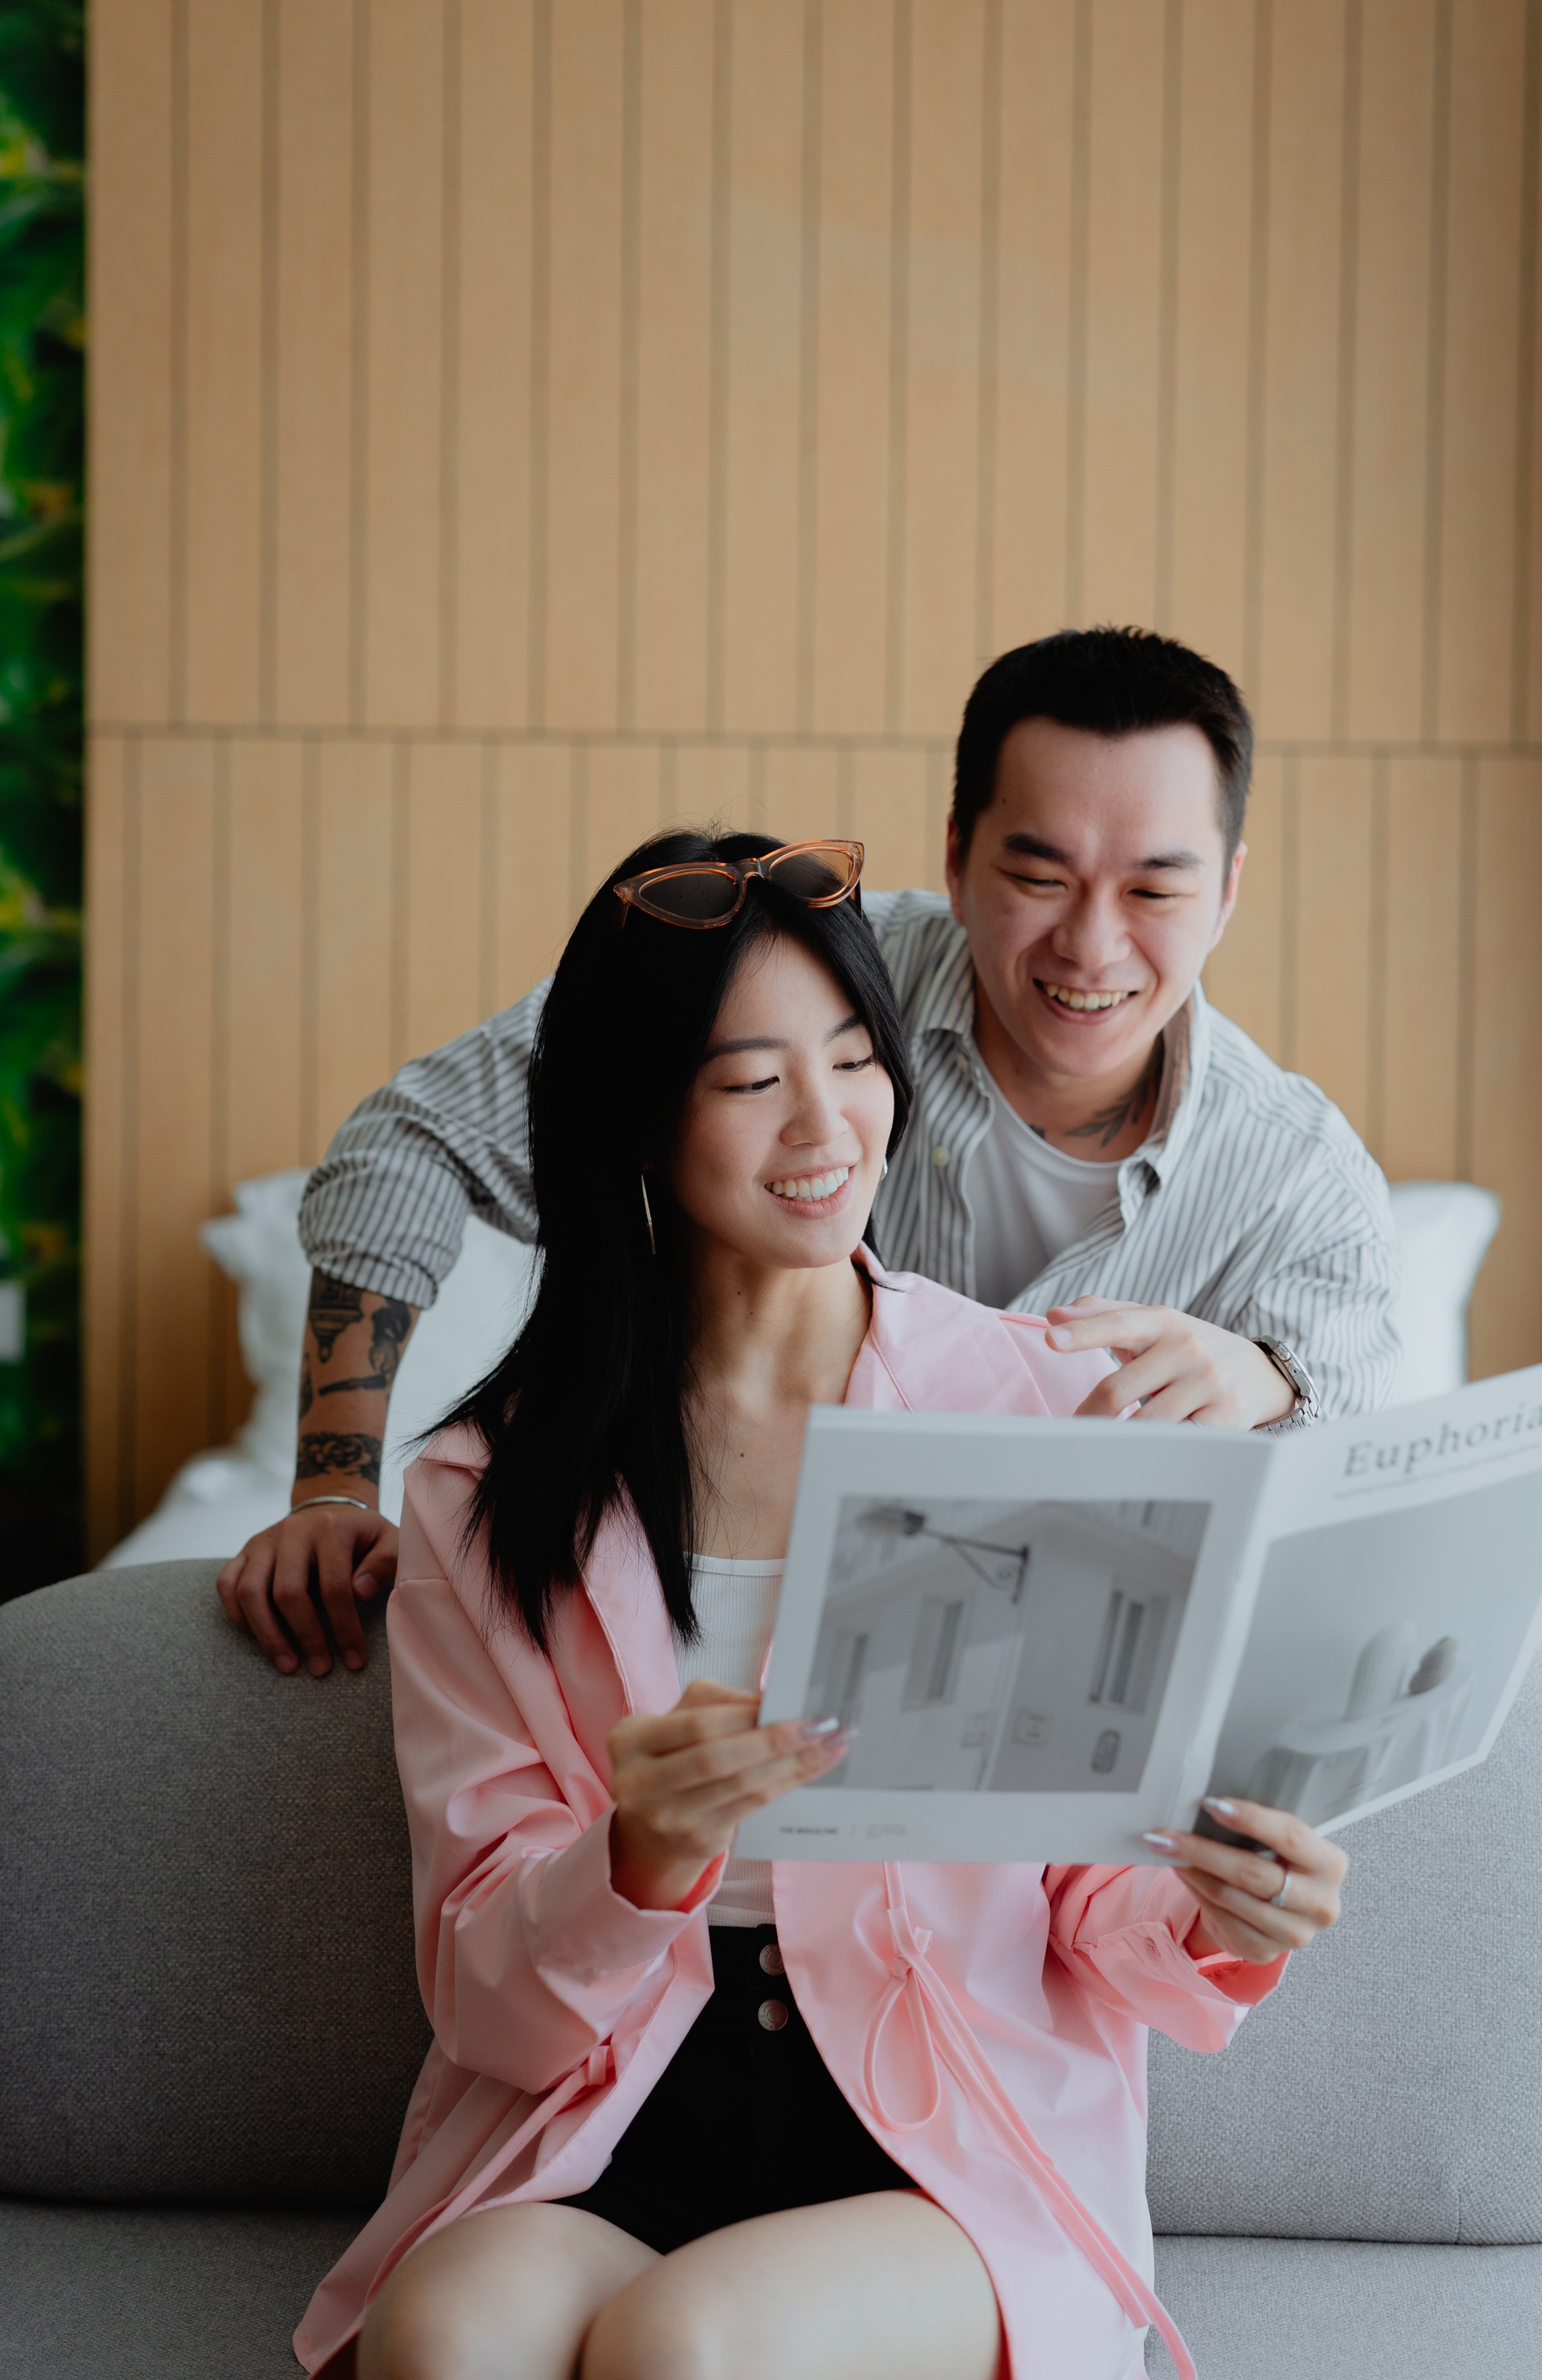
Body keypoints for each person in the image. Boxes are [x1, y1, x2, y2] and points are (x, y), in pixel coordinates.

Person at [293, 832, 1347, 2380]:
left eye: (853, 1060)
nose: (825, 1126)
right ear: (636, 1117)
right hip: (622, 2085)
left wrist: (1223, 1921)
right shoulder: (481, 1489)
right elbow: (489, 2006)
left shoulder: (1045, 1407)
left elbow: (1091, 1905)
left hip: (941, 2110)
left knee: (684, 2346)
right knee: (437, 2339)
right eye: (747, 1081)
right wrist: (637, 1855)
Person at [222, 627, 1398, 1677]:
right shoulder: (807, 966)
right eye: (1039, 876)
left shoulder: (1301, 1183)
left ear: (1229, 892)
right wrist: (333, 1481)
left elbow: (1351, 1524)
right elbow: (409, 1140)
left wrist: (1274, 1381)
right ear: (955, 854)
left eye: (1155, 888)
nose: (1091, 944)